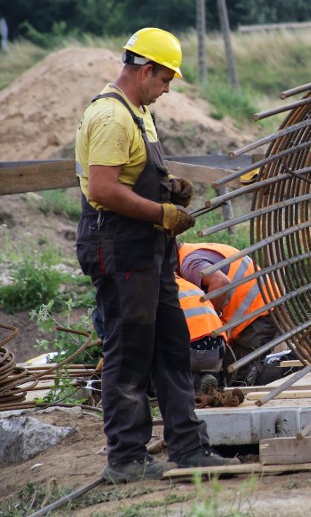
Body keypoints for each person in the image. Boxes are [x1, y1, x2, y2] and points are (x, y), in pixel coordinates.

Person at [75, 27, 238, 483]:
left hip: (149, 251)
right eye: (166, 79)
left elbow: (132, 177)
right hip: (119, 249)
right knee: (129, 354)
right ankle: (126, 458)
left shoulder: (139, 112)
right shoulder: (110, 117)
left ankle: (188, 448)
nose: (168, 89)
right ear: (146, 70)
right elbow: (105, 189)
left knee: (170, 348)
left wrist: (171, 193)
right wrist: (161, 212)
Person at [176, 241, 285, 386]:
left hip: (261, 312)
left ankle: (292, 364)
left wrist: (215, 321)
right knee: (229, 376)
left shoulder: (190, 263)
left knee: (241, 381)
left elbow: (220, 282)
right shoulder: (192, 252)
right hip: (257, 309)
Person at [175, 275, 229, 394]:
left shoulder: (152, 287)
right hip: (217, 352)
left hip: (189, 352)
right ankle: (200, 380)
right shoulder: (189, 285)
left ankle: (189, 383)